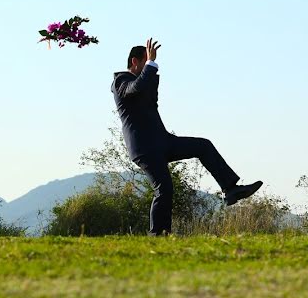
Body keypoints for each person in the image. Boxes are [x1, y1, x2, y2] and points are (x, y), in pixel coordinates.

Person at [111, 38, 262, 236]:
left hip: (162, 141)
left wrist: (150, 69)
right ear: (134, 62)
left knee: (203, 146)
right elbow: (136, 88)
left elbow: (150, 98)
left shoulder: (141, 80)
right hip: (145, 148)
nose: (150, 63)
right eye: (145, 61)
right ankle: (158, 234)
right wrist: (151, 64)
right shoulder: (120, 81)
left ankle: (231, 189)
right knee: (164, 188)